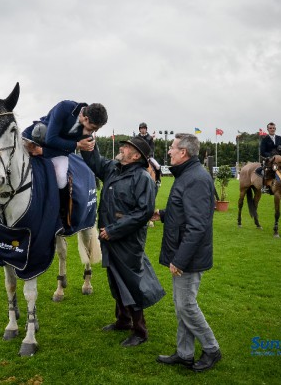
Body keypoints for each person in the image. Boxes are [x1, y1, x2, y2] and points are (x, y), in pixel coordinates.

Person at [80, 136, 165, 347]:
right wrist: (88, 142)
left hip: (127, 240)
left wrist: (114, 230)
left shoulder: (142, 178)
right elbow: (95, 162)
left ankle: (140, 330)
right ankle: (123, 320)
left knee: (131, 283)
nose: (122, 148)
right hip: (110, 236)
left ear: (136, 156)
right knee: (116, 279)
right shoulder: (114, 168)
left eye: (127, 147)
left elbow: (143, 212)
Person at [154, 133, 222, 372]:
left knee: (186, 305)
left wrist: (180, 260)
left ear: (183, 152)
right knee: (182, 303)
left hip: (188, 257)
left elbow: (197, 225)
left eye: (172, 148)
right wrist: (162, 214)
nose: (169, 151)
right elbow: (184, 212)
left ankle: (212, 349)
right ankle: (185, 353)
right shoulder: (188, 175)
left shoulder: (196, 178)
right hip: (184, 253)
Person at [258, 122, 281, 194]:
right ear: (268, 129)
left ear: (275, 129)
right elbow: (262, 151)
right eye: (270, 128)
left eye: (273, 128)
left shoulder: (280, 138)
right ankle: (265, 187)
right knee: (265, 171)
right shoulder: (265, 139)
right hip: (269, 159)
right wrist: (270, 156)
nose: (272, 129)